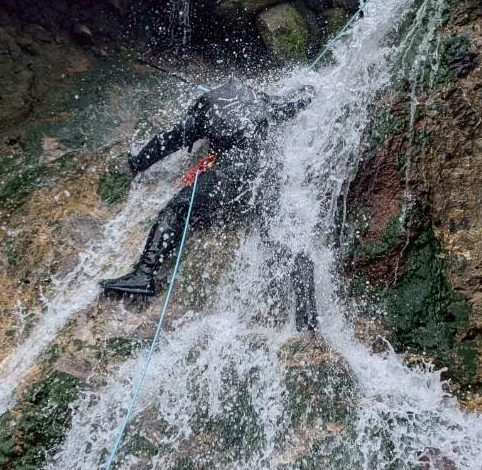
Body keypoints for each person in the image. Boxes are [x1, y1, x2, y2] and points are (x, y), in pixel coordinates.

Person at [99, 80, 319, 331]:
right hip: (266, 180)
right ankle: (308, 320)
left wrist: (137, 163)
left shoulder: (204, 112)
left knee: (176, 209)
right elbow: (298, 100)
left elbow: (166, 141)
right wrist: (309, 89)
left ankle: (144, 276)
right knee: (282, 241)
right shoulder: (264, 102)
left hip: (228, 178)